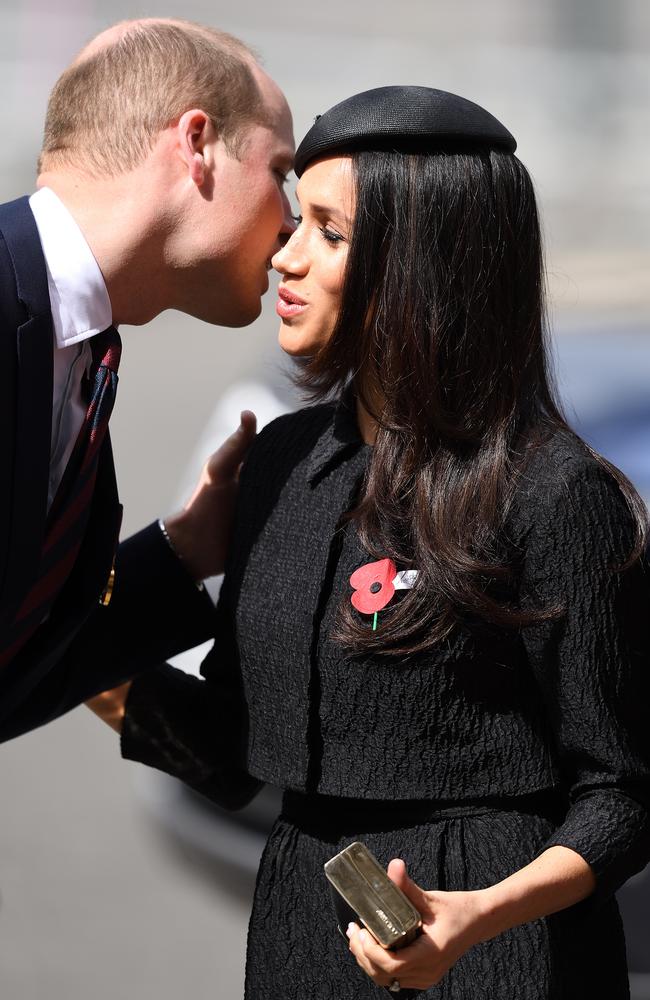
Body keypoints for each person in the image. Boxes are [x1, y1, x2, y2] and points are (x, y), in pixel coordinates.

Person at [90, 87, 650, 998]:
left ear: (426, 267)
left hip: (500, 960)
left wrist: (484, 912)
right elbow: (234, 755)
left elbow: (624, 794)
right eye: (292, 220)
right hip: (301, 946)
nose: (286, 255)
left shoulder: (558, 494)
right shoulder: (278, 463)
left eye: (329, 232)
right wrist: (76, 658)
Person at [0, 18, 295, 742]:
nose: (291, 221)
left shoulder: (80, 350)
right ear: (196, 144)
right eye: (280, 172)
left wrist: (184, 551)